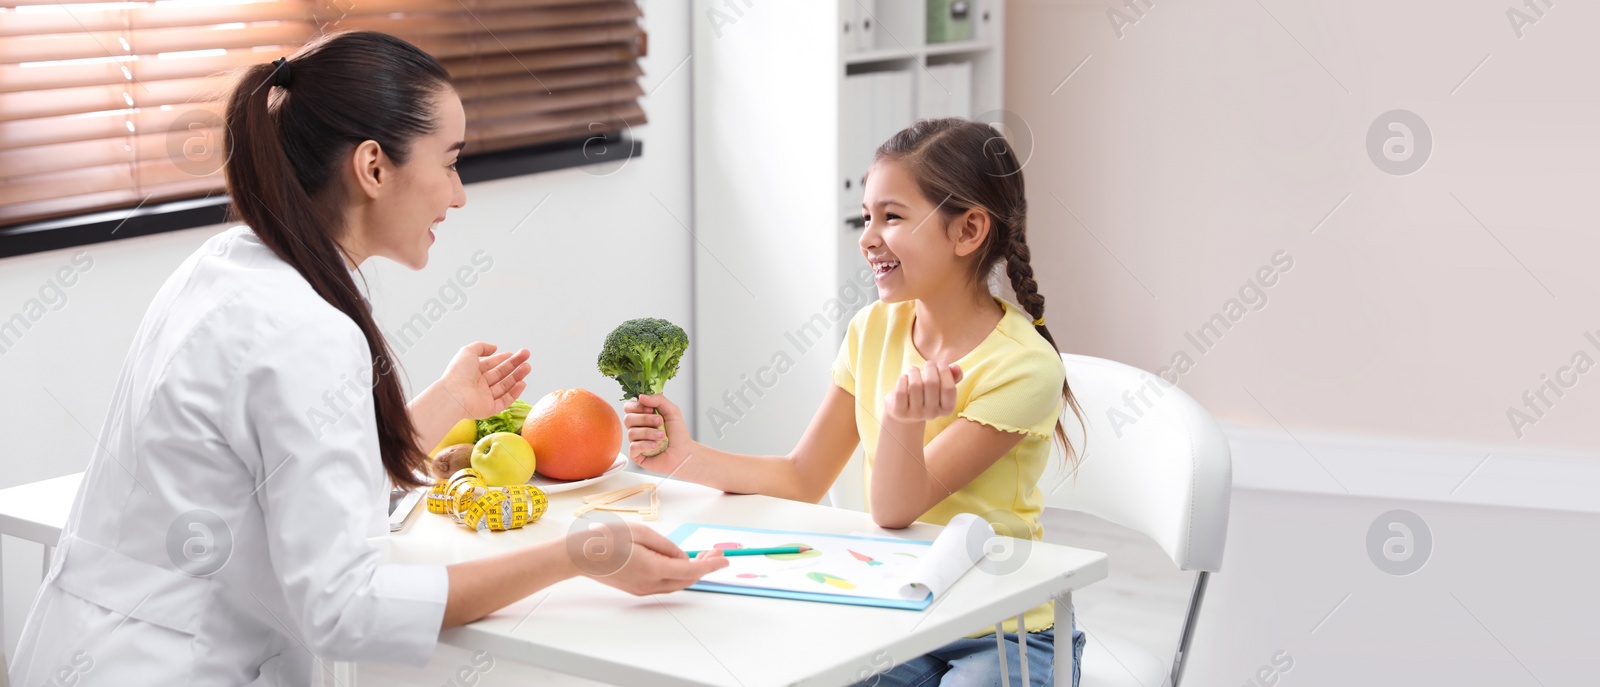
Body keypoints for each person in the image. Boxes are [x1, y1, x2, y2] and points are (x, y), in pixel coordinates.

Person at [7, 30, 725, 686]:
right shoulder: (305, 328)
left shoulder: (229, 265)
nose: (458, 195)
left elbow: (286, 468)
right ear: (373, 167)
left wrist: (448, 399)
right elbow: (342, 607)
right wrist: (577, 552)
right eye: (449, 164)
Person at [622, 117, 1088, 687]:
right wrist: (684, 458)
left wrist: (899, 420)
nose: (867, 237)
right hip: (893, 611)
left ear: (967, 231)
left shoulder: (1024, 366)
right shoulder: (873, 328)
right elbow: (802, 477)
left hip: (1001, 627)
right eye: (866, 216)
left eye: (892, 217)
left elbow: (894, 509)